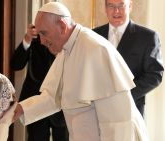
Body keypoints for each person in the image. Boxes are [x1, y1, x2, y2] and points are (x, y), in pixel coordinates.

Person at [13, 2, 149, 141]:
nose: (41, 41)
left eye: (44, 33)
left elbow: (118, 123)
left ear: (62, 26)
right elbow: (53, 97)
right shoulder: (66, 49)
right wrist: (19, 109)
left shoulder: (96, 49)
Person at [93, 0, 164, 116]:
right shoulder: (93, 36)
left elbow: (155, 74)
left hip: (131, 111)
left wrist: (125, 95)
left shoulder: (148, 37)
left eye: (121, 5)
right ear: (105, 8)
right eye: (111, 5)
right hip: (97, 112)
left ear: (130, 6)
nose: (116, 11)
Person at [10, 24, 68, 141]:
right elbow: (16, 65)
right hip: (35, 102)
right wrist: (27, 40)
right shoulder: (35, 38)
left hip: (62, 104)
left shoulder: (67, 39)